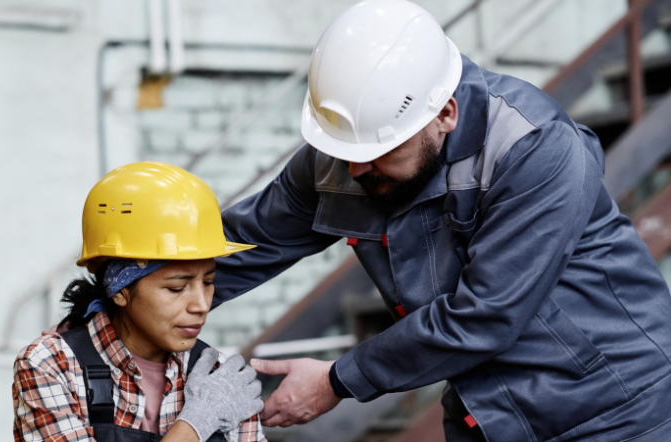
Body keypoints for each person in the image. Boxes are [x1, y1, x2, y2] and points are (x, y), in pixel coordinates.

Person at [212, 1, 671, 441]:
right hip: (487, 415)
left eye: (379, 151)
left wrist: (337, 380)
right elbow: (242, 242)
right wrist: (163, 289)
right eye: (344, 150)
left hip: (619, 410)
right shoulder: (345, 154)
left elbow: (485, 316)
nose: (355, 169)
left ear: (445, 114)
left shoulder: (534, 147)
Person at [12, 162, 266, 442]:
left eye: (208, 282)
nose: (202, 305)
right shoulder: (52, 366)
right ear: (120, 291)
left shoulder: (221, 381)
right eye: (177, 288)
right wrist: (196, 423)